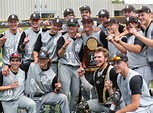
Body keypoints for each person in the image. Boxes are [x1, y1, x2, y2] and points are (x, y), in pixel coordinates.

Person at [110, 16, 152, 88]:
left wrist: (121, 42)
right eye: (127, 24)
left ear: (136, 24)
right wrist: (113, 42)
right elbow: (126, 51)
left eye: (130, 24)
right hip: (135, 68)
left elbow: (137, 49)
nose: (128, 26)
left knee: (143, 94)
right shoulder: (131, 36)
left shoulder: (140, 34)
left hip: (141, 68)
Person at [77, 47, 119, 113]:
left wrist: (112, 109)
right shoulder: (96, 72)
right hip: (100, 103)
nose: (96, 59)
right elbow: (88, 88)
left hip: (114, 105)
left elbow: (119, 95)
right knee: (81, 107)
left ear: (106, 58)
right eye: (95, 57)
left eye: (99, 57)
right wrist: (81, 76)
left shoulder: (112, 71)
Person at [57, 17, 83, 112]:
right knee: (64, 92)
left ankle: (71, 110)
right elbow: (58, 55)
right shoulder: (62, 38)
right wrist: (64, 46)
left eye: (73, 25)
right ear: (66, 26)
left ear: (77, 27)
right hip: (65, 66)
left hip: (76, 68)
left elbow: (82, 55)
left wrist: (81, 66)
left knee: (76, 93)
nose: (71, 27)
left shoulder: (81, 39)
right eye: (69, 25)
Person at [128, 6, 153, 76]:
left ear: (149, 14)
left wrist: (137, 34)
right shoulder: (147, 28)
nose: (140, 17)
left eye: (142, 15)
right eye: (139, 15)